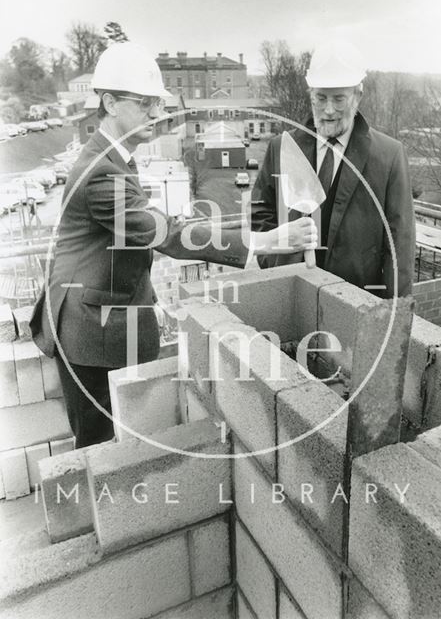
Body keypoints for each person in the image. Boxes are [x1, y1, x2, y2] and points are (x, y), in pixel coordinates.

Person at [30, 42, 317, 448]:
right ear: (109, 103)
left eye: (158, 103)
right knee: (99, 449)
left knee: (120, 444)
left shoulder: (114, 158)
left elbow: (139, 234)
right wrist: (263, 240)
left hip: (101, 313)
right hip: (89, 333)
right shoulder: (100, 173)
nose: (157, 113)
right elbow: (165, 234)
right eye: (144, 103)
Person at [251, 40, 416, 298]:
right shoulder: (282, 148)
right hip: (293, 295)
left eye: (339, 99)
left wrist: (394, 315)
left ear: (357, 96)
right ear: (310, 95)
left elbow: (400, 246)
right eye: (321, 98)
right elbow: (260, 214)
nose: (328, 110)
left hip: (356, 302)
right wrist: (276, 262)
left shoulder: (389, 156)